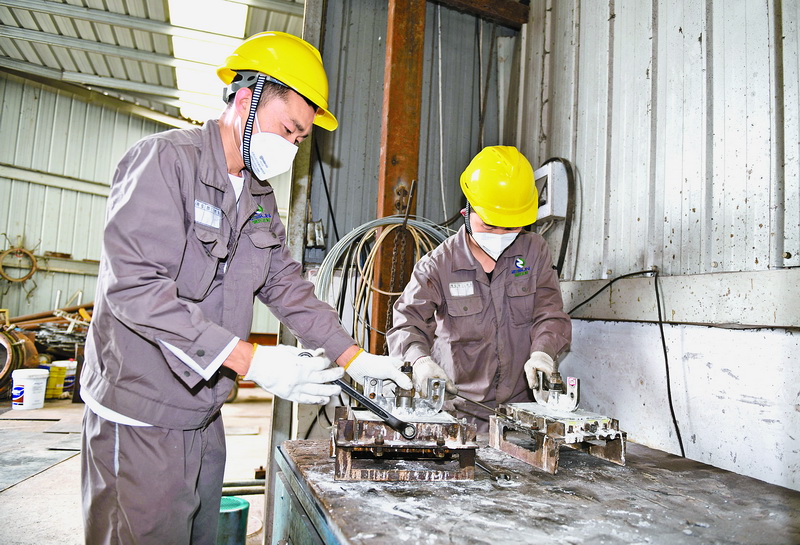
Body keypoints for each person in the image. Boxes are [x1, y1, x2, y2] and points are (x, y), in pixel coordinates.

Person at [79, 32, 411, 544]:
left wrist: (353, 357)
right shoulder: (166, 162)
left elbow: (285, 284)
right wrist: (251, 361)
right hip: (140, 413)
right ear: (245, 99)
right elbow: (136, 288)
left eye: (300, 140)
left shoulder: (258, 196)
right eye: (289, 129)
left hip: (202, 413)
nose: (292, 147)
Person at [386, 146, 571, 432]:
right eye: (490, 225)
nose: (500, 235)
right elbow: (406, 325)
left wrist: (543, 353)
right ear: (467, 209)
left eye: (510, 228)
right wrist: (420, 361)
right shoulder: (438, 265)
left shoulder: (534, 252)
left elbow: (549, 314)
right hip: (458, 416)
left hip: (521, 415)